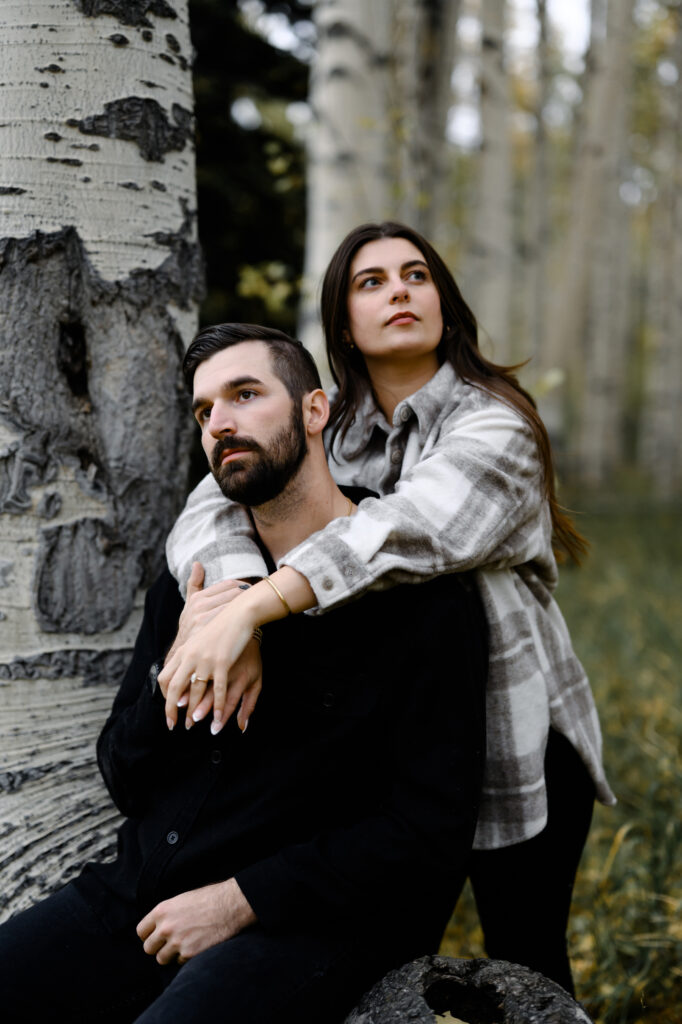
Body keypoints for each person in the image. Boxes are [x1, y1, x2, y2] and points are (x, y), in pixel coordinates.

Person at [163, 222, 616, 996]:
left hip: (518, 735)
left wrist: (256, 609)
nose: (399, 290)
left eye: (416, 275)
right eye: (371, 283)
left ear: (443, 302)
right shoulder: (324, 423)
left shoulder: (493, 423)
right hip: (392, 751)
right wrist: (229, 605)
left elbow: (410, 530)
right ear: (344, 322)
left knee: (525, 964)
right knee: (385, 965)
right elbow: (209, 505)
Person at [0, 324, 488, 1024]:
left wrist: (241, 897)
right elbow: (125, 772)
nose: (219, 423)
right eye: (203, 411)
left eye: (245, 394)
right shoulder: (197, 579)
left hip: (303, 922)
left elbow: (427, 830)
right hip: (139, 901)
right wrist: (181, 663)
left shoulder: (421, 598)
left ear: (314, 411)